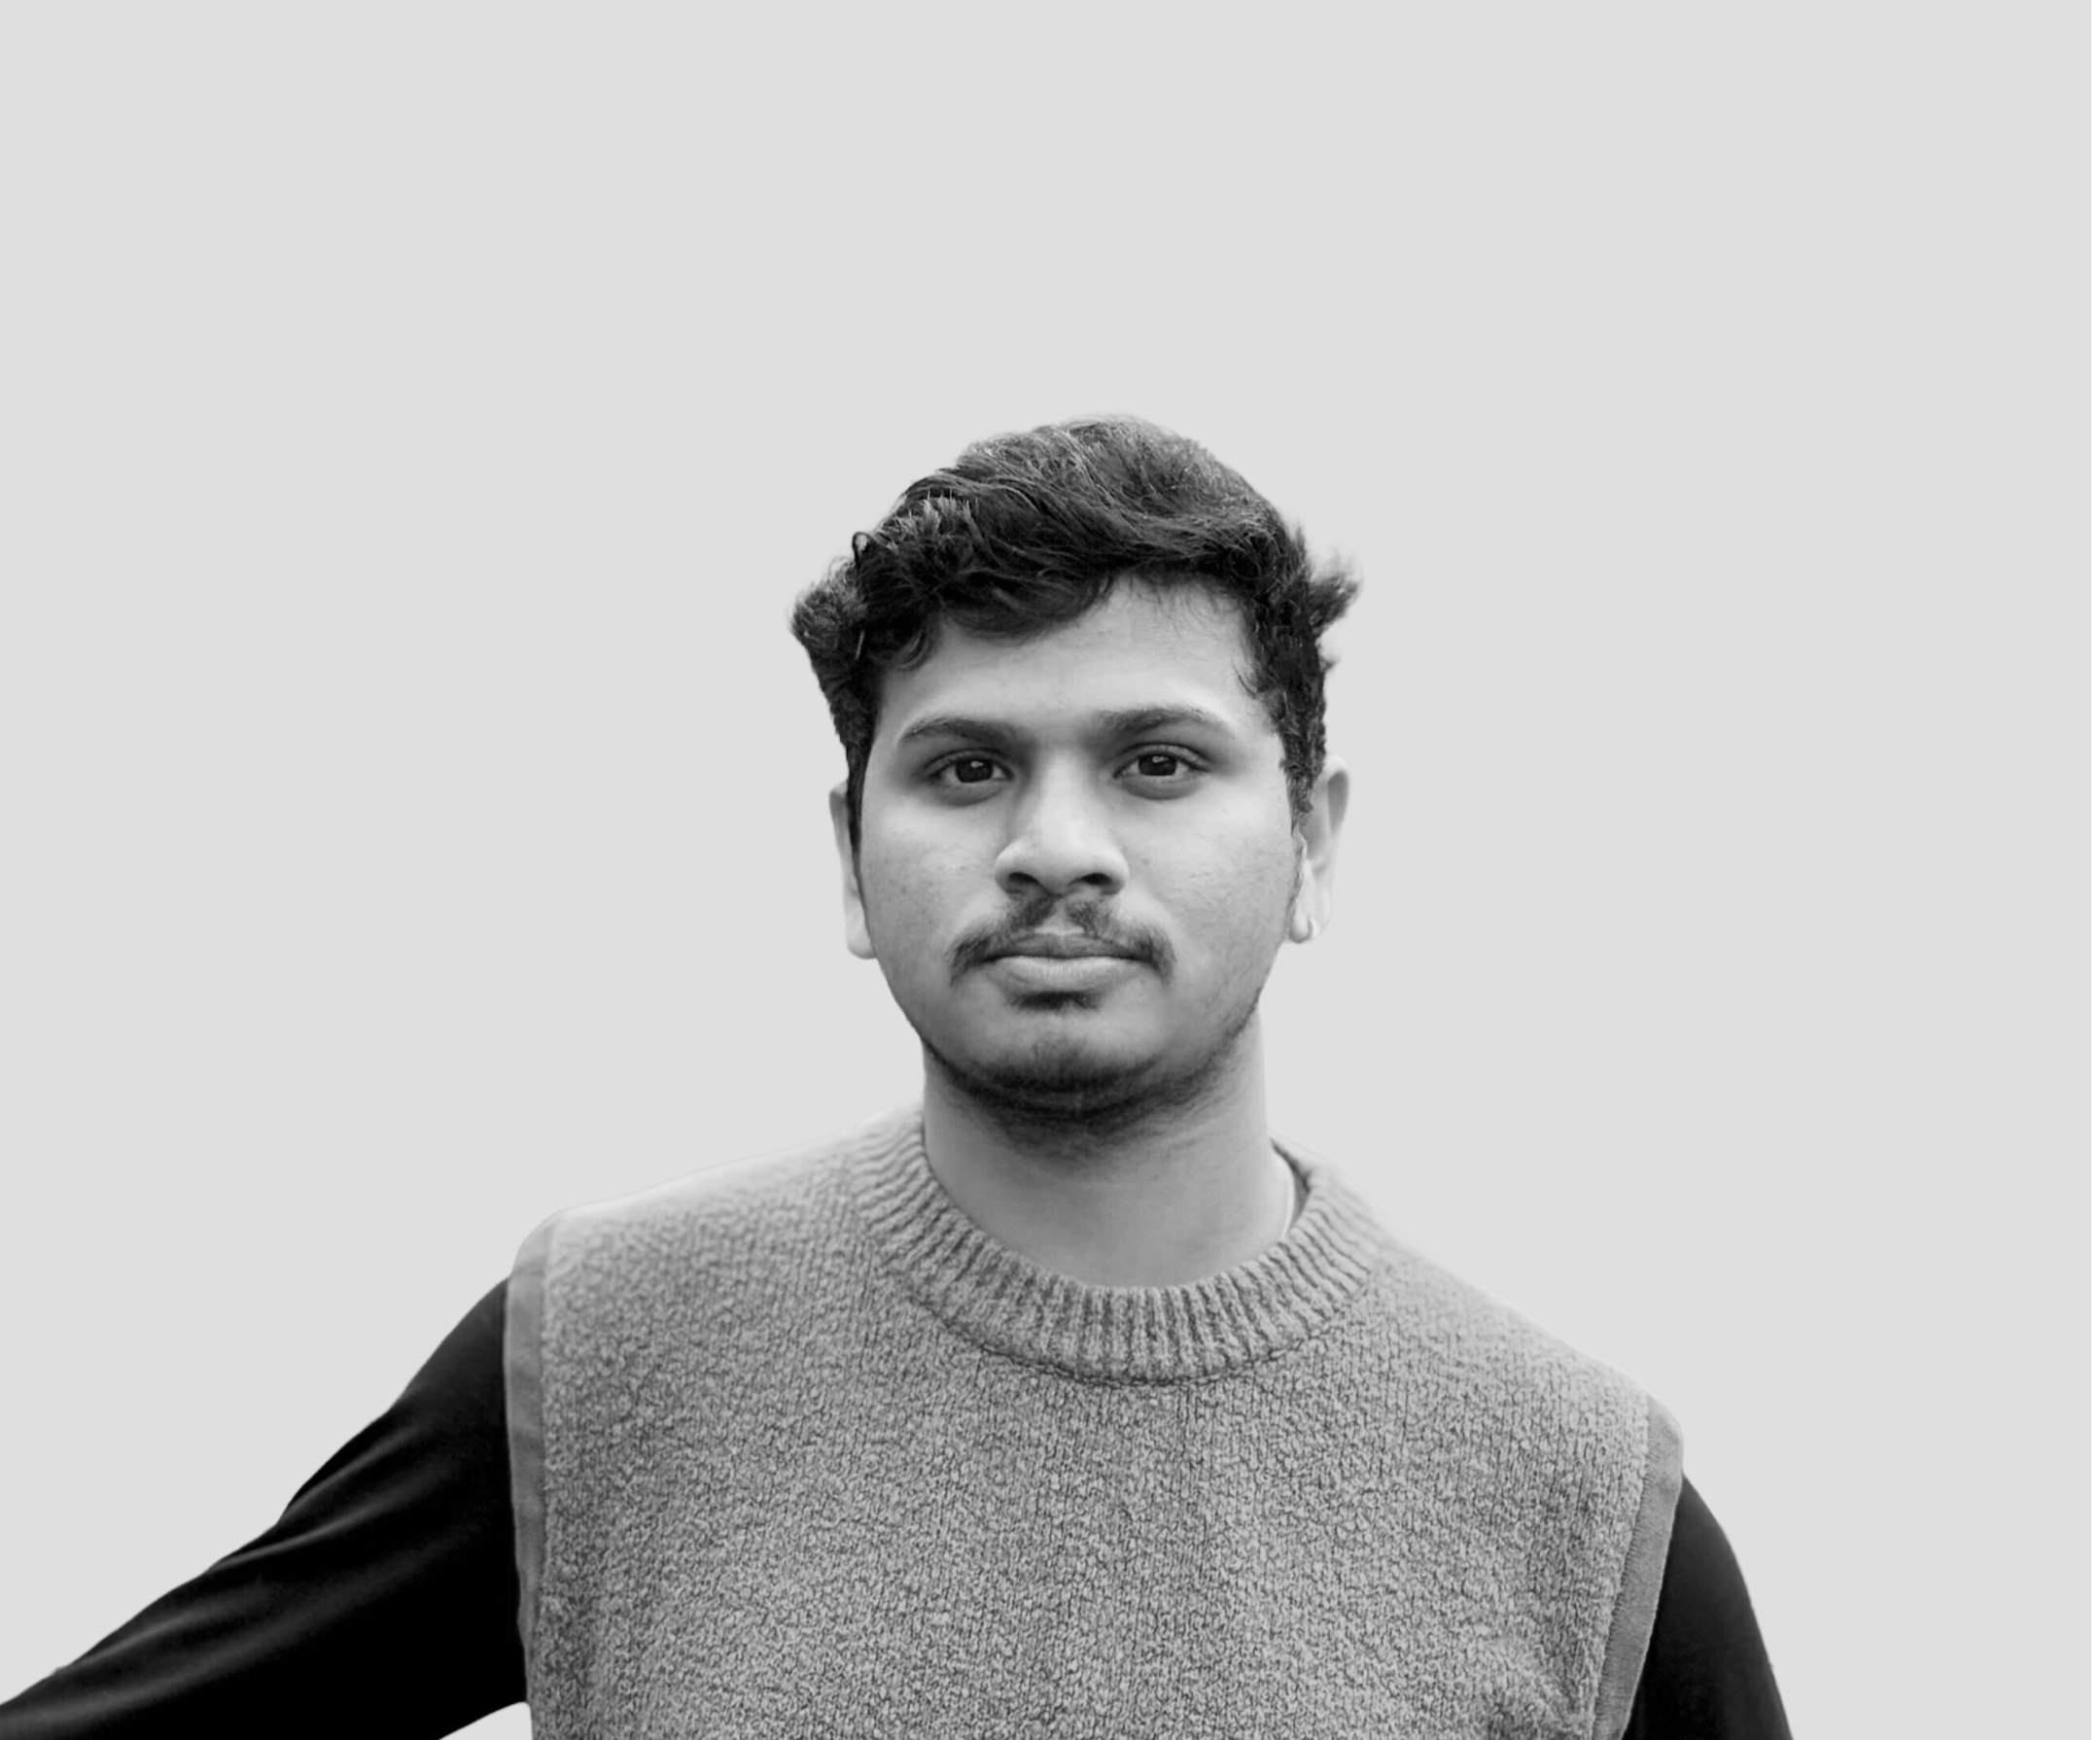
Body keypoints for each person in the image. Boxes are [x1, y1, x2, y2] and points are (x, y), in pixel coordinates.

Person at [0, 418, 1791, 1737]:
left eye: (1160, 762)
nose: (1058, 847)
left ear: (1313, 841)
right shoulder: (608, 1357)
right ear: (849, 857)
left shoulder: (1574, 1498)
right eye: (963, 771)